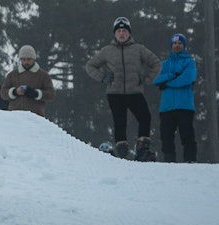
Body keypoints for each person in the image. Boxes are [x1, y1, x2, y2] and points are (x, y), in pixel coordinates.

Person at [85, 17, 161, 160]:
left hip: (135, 91)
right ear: (114, 34)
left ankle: (143, 149)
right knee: (120, 121)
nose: (121, 33)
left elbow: (156, 63)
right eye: (119, 31)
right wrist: (102, 77)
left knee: (145, 117)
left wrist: (148, 79)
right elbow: (90, 65)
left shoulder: (139, 49)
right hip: (115, 92)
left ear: (129, 33)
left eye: (124, 31)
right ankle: (122, 152)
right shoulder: (107, 51)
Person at [154, 33, 198, 162]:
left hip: (185, 106)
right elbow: (155, 78)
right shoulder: (164, 64)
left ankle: (190, 160)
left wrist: (167, 83)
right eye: (175, 43)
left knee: (187, 135)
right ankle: (169, 162)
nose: (177, 45)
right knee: (166, 137)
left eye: (180, 43)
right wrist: (173, 75)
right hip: (166, 107)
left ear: (184, 46)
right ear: (171, 45)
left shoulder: (189, 62)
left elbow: (187, 78)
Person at [1, 45, 56, 116]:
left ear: (34, 59)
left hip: (36, 116)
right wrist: (15, 92)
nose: (26, 62)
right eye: (23, 59)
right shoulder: (12, 75)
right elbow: (3, 93)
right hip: (14, 116)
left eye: (29, 59)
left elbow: (51, 94)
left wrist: (36, 93)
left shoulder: (43, 75)